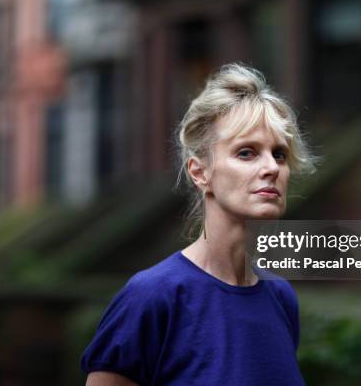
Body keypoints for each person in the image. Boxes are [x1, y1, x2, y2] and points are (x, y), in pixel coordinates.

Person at [80, 63, 316, 385]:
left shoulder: (281, 297)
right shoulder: (152, 296)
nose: (271, 167)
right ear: (200, 172)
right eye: (247, 153)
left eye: (279, 154)